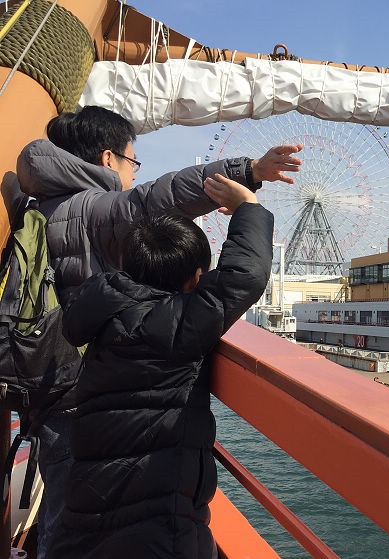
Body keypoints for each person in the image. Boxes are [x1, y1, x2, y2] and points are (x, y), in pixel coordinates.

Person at [16, 105, 302, 558]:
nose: (134, 172)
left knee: (71, 513)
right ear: (108, 158)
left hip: (51, 387)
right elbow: (159, 201)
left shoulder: (35, 205)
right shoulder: (93, 208)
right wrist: (246, 177)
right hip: (80, 400)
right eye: (133, 160)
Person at [49, 178, 269, 558]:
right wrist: (249, 206)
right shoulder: (176, 325)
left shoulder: (104, 312)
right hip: (158, 522)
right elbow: (244, 276)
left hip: (88, 503)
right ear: (195, 279)